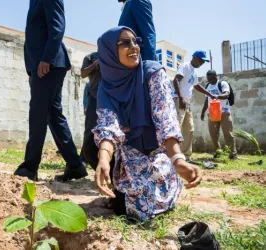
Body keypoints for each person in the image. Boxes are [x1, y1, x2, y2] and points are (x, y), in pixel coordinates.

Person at [93, 27, 202, 220]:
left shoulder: (153, 73)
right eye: (125, 42)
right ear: (109, 51)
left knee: (152, 189)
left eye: (136, 41)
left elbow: (165, 118)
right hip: (129, 151)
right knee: (125, 202)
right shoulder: (106, 86)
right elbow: (108, 125)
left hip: (159, 148)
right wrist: (103, 159)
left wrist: (178, 160)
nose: (134, 46)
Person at [14, 0, 87, 182]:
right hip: (41, 65)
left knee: (38, 113)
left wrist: (46, 59)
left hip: (49, 64)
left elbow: (57, 27)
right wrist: (31, 70)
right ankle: (75, 165)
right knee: (53, 115)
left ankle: (30, 167)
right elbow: (33, 36)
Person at [173, 51, 216, 161]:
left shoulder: (194, 72)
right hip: (179, 100)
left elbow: (196, 86)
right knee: (176, 128)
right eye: (201, 60)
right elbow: (176, 80)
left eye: (203, 62)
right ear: (195, 58)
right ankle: (173, 156)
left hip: (187, 103)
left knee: (189, 129)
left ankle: (186, 156)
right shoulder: (185, 66)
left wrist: (209, 94)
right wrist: (181, 98)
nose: (202, 63)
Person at [201, 70, 237, 159]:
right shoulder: (208, 86)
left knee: (228, 133)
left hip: (224, 112)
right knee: (213, 134)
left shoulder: (223, 84)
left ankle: (232, 154)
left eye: (212, 79)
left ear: (216, 76)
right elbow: (206, 100)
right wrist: (203, 112)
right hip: (212, 113)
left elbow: (226, 94)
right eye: (209, 80)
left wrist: (217, 96)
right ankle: (218, 152)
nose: (211, 81)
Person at [79, 52, 105, 170]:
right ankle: (83, 160)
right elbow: (83, 73)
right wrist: (95, 64)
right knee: (89, 130)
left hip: (109, 98)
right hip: (94, 97)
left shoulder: (112, 55)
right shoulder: (90, 57)